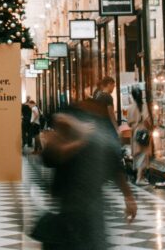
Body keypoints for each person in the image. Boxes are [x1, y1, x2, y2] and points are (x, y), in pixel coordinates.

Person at [33, 105, 137, 249]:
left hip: (87, 209)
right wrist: (128, 197)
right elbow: (51, 156)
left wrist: (128, 197)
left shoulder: (93, 138)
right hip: (73, 208)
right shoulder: (71, 137)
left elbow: (114, 167)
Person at [125, 86, 152, 184]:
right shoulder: (143, 106)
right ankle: (139, 178)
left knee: (137, 154)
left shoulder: (130, 107)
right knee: (143, 154)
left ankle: (139, 176)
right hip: (142, 131)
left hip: (134, 131)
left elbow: (128, 122)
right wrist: (150, 128)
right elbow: (146, 119)